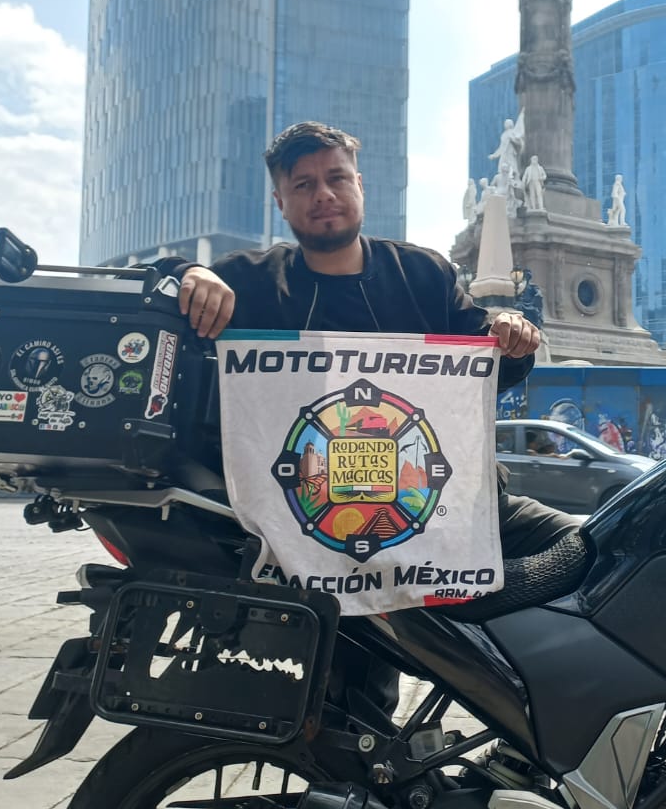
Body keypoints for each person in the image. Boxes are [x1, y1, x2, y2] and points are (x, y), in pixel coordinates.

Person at [166, 121, 579, 708]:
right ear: (280, 201)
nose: (323, 194)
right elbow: (154, 285)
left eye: (336, 178)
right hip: (312, 528)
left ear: (360, 184)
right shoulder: (252, 281)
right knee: (358, 703)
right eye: (303, 184)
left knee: (586, 546)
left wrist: (515, 338)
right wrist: (190, 275)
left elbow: (486, 362)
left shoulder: (423, 274)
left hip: (445, 507)